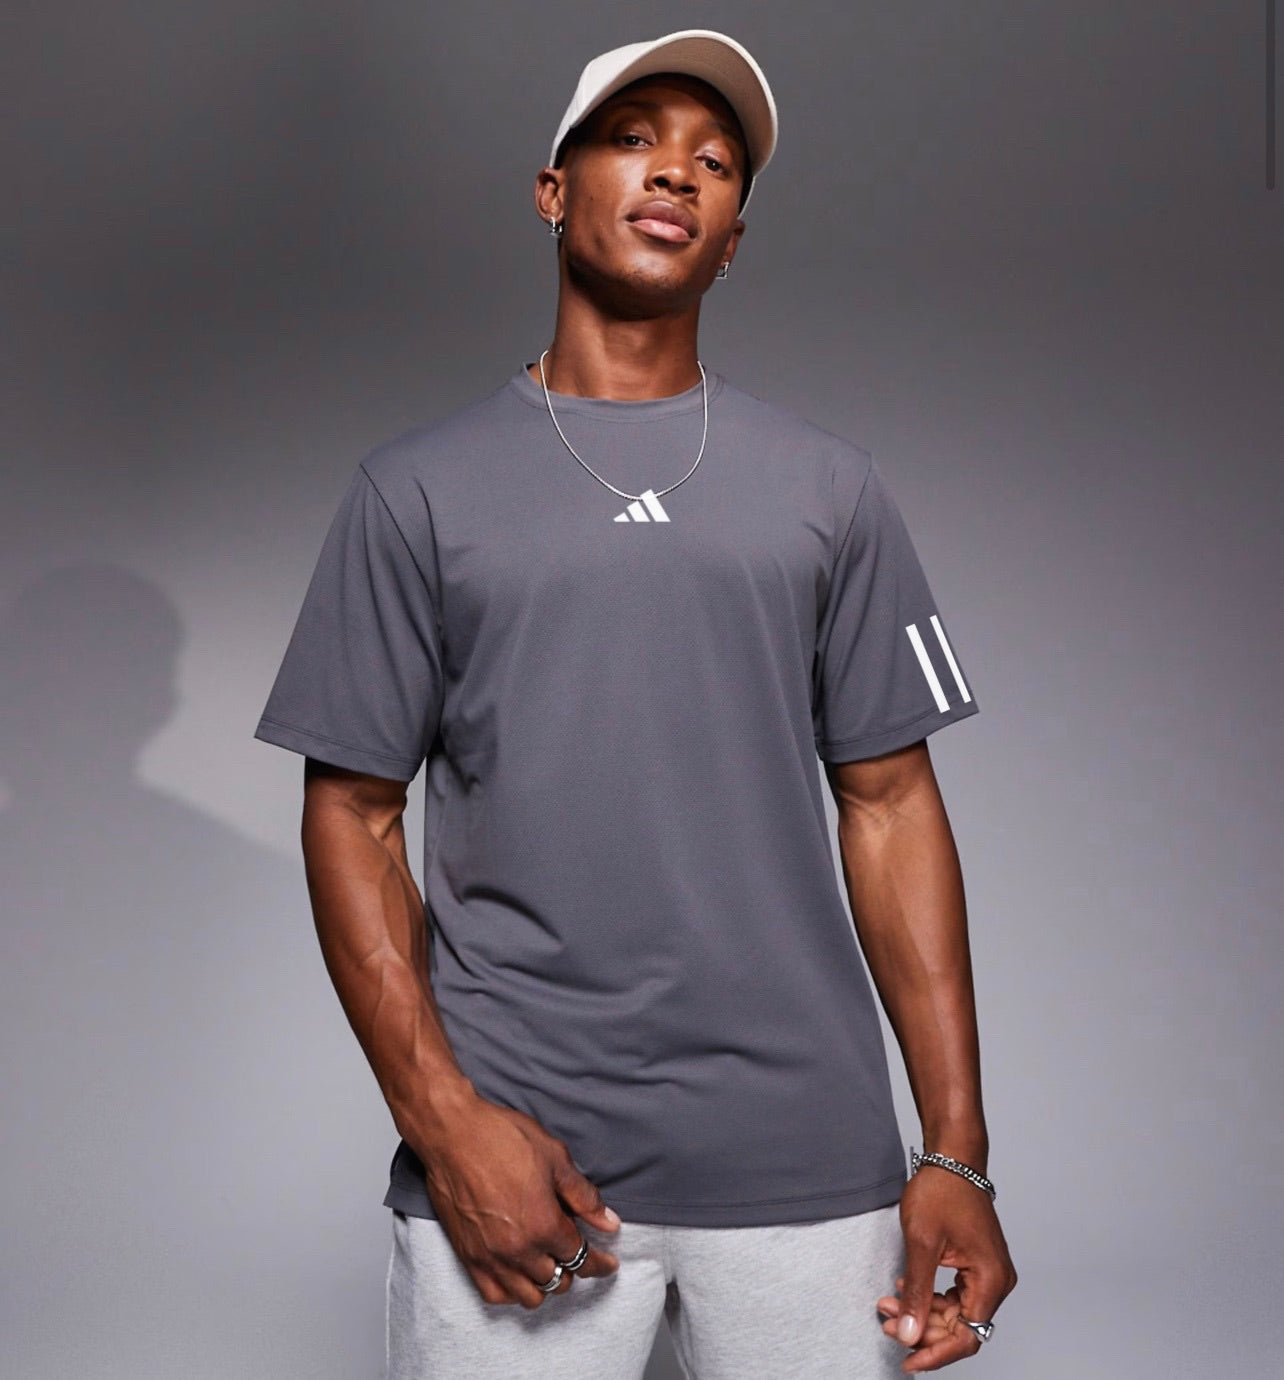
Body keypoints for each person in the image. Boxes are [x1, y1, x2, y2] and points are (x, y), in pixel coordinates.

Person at [254, 28, 1016, 1379]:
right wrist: (446, 1125)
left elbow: (893, 803)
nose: (676, 173)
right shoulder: (413, 493)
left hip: (806, 1163)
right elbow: (353, 818)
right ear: (553, 192)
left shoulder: (831, 490)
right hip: (518, 1162)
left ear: (732, 242)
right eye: (633, 139)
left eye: (715, 164)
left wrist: (956, 1149)